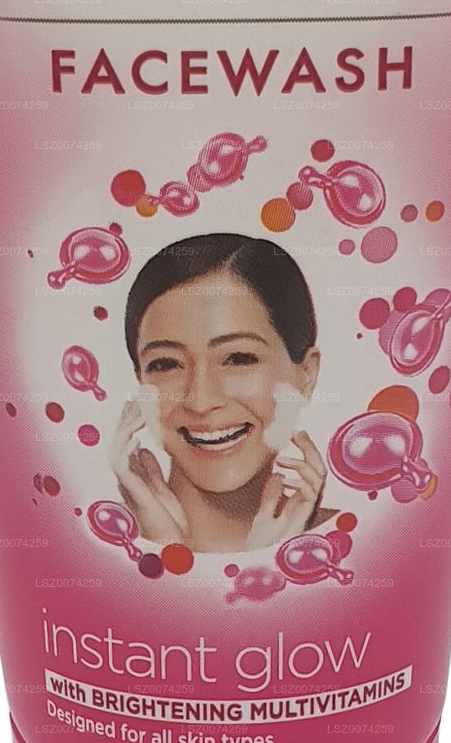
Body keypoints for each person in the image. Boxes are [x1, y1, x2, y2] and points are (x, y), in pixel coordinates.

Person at [110, 232, 330, 555]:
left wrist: (271, 560)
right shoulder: (94, 541)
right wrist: (167, 552)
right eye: (166, 364)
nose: (200, 401)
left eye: (238, 359)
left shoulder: (356, 540)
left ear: (306, 375)